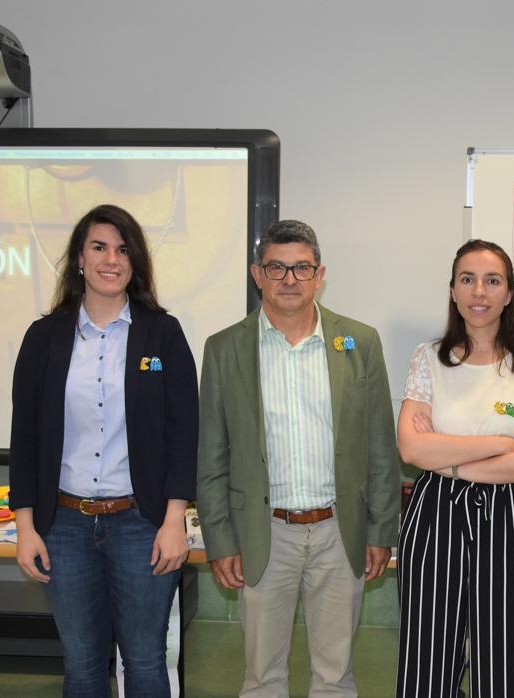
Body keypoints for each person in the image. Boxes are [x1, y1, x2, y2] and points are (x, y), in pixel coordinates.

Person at [196, 219, 401, 697]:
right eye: (277, 268)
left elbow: (379, 447)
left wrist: (379, 530)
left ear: (319, 274)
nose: (290, 279)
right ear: (257, 273)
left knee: (336, 675)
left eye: (301, 268)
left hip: (339, 532)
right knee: (262, 677)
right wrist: (221, 540)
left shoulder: (358, 342)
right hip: (263, 535)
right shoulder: (225, 348)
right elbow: (211, 455)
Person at [9, 204, 198, 697]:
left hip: (141, 524)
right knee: (84, 665)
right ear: (78, 258)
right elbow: (24, 439)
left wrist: (174, 519)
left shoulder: (163, 334)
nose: (110, 259)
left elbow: (183, 432)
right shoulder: (43, 338)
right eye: (99, 247)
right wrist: (25, 528)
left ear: (135, 262)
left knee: (145, 661)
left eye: (122, 249)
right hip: (64, 528)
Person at [394, 239, 514, 697]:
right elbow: (410, 448)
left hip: (510, 515)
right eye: (467, 279)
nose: (478, 292)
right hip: (435, 514)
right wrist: (500, 443)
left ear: (509, 294)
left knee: (502, 658)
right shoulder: (428, 358)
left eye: (492, 281)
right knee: (427, 656)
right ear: (452, 291)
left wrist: (450, 462)